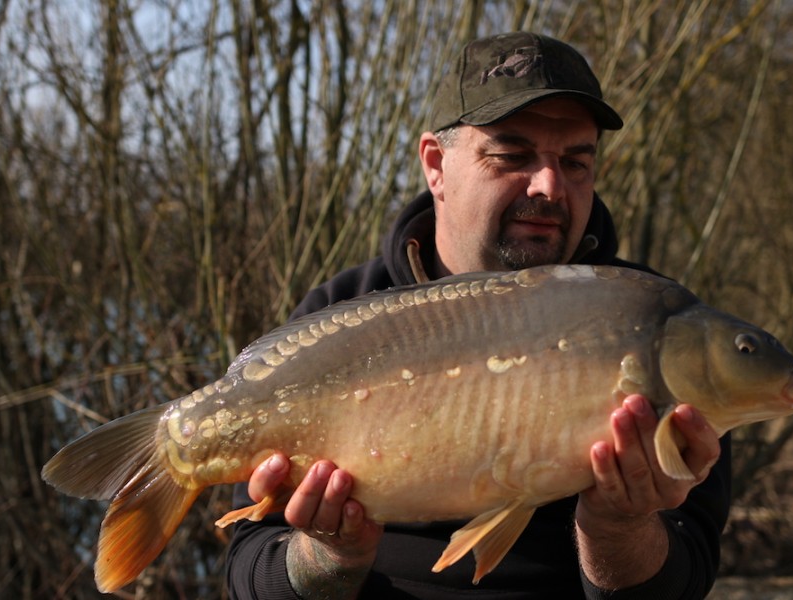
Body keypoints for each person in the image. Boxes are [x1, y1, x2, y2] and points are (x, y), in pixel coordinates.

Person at [226, 31, 729, 599]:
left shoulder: (657, 328)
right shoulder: (337, 317)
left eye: (575, 162)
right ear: (436, 165)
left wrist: (618, 525)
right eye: (512, 156)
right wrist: (328, 553)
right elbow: (249, 573)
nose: (549, 185)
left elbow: (687, 578)